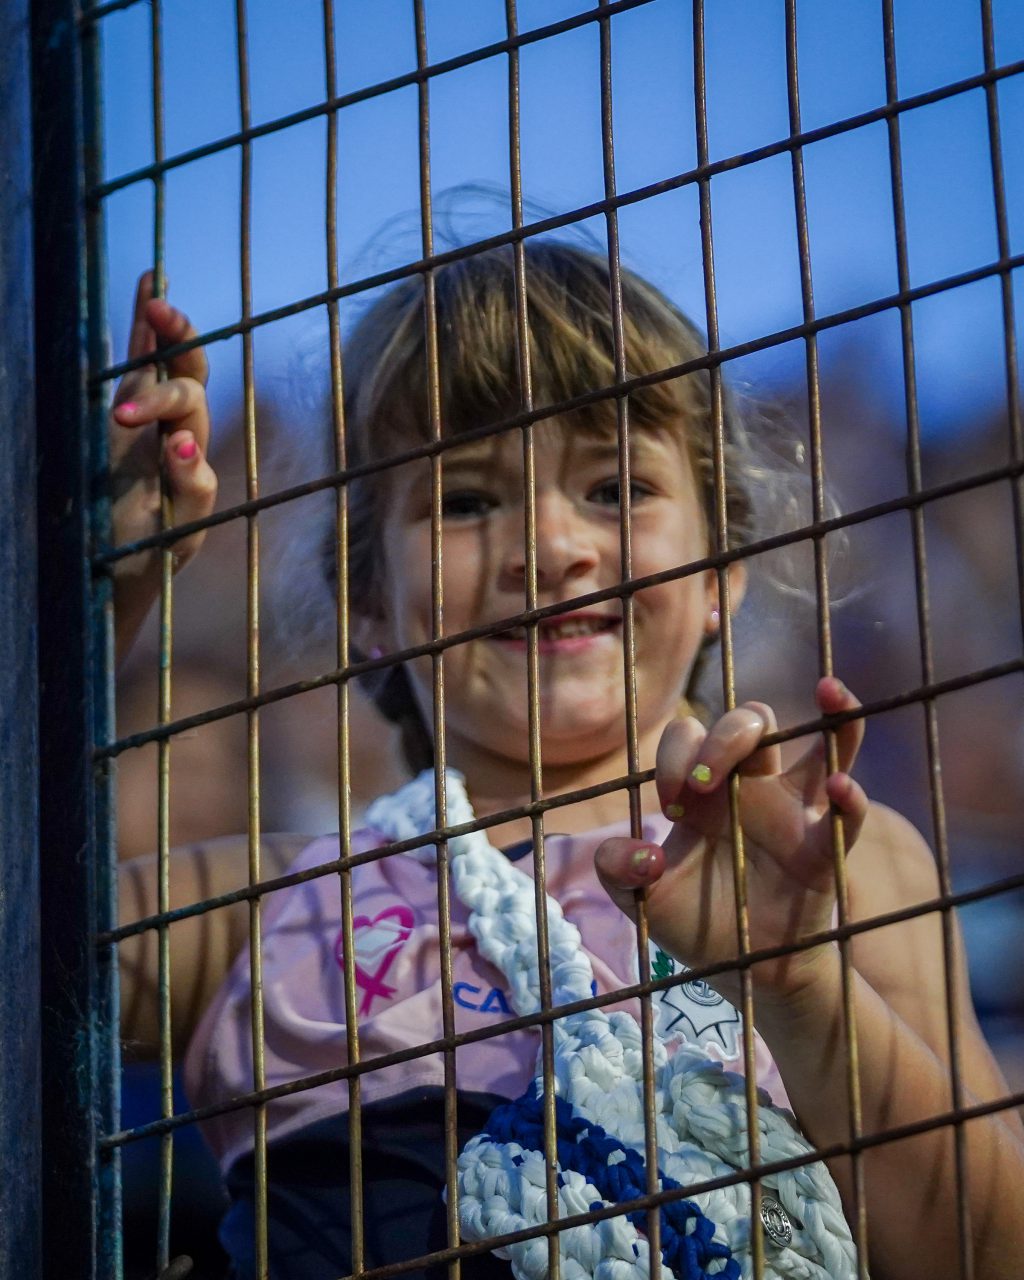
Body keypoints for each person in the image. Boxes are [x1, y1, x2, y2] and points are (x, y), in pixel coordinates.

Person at [113, 244, 1024, 1280]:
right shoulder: (261, 905)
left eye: (615, 486)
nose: (550, 547)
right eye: (465, 500)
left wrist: (799, 983)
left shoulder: (840, 868)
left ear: (721, 568)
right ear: (367, 598)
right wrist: (103, 599)